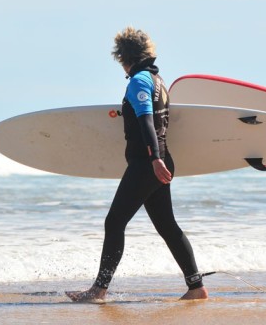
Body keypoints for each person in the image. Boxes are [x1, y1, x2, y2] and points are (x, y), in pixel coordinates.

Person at [66, 26, 208, 302]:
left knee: (114, 221)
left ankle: (99, 289)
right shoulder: (157, 80)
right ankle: (196, 287)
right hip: (158, 162)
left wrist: (154, 159)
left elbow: (147, 122)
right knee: (167, 226)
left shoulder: (140, 82)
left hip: (148, 164)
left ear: (123, 55)